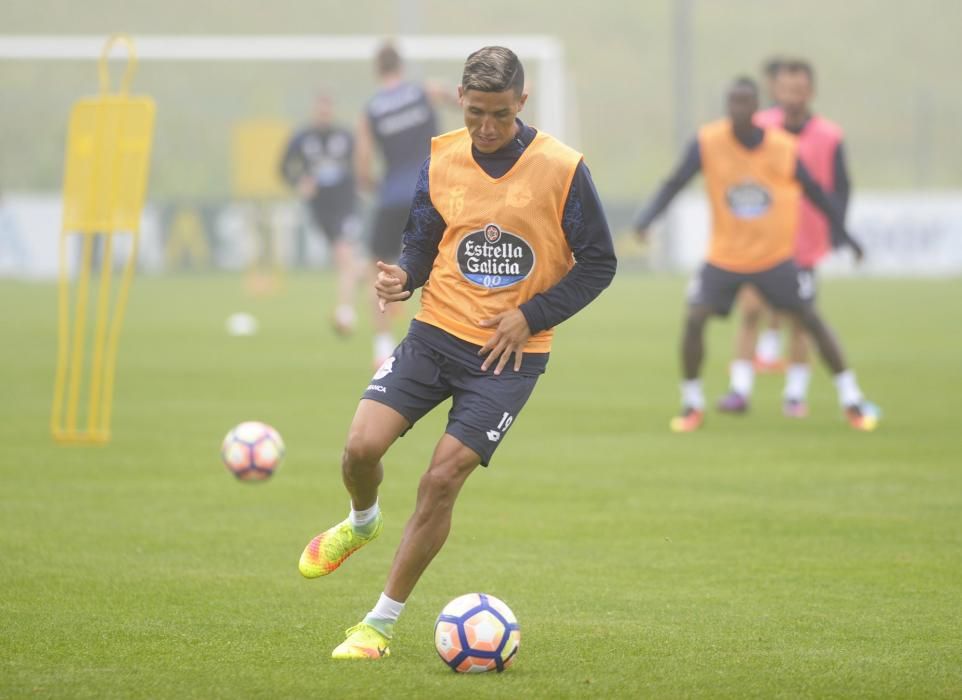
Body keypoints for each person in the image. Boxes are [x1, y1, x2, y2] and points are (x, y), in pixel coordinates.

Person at [298, 46, 617, 660]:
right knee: (360, 447)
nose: (487, 128)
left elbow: (599, 262)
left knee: (441, 480)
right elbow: (423, 238)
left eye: (499, 114)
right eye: (475, 114)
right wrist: (405, 277)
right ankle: (361, 521)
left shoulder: (562, 168)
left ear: (521, 103)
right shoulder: (442, 156)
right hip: (434, 333)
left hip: (508, 357)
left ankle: (378, 625)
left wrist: (531, 315)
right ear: (461, 105)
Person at [634, 76, 878, 433]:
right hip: (724, 257)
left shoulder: (782, 147)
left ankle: (851, 398)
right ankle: (692, 402)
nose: (738, 110)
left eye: (745, 103)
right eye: (732, 103)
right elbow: (675, 183)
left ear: (757, 109)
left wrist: (846, 236)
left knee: (809, 319)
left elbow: (816, 194)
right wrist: (647, 219)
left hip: (774, 259)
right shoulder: (708, 141)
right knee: (695, 318)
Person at [720, 59, 853, 418]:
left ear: (810, 91)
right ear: (775, 91)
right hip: (760, 241)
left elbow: (839, 187)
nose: (793, 95)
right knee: (750, 311)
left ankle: (794, 395)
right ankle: (740, 390)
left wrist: (839, 231)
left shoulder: (829, 135)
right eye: (786, 89)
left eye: (800, 88)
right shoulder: (760, 128)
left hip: (805, 241)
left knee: (801, 320)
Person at [355, 42, 453, 365]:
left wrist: (374, 186)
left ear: (377, 69)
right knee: (443, 262)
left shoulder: (371, 110)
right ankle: (449, 334)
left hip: (392, 196)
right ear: (401, 66)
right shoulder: (423, 91)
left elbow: (363, 164)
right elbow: (459, 98)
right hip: (431, 189)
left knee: (378, 267)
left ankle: (382, 346)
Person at [280, 92, 360, 335]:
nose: (323, 112)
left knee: (344, 255)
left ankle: (345, 312)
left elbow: (360, 162)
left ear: (332, 110)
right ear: (314, 110)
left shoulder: (345, 136)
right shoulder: (302, 138)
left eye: (327, 107)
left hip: (345, 205)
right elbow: (283, 167)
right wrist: (299, 182)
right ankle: (386, 280)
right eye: (320, 107)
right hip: (321, 209)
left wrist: (362, 185)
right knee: (347, 260)